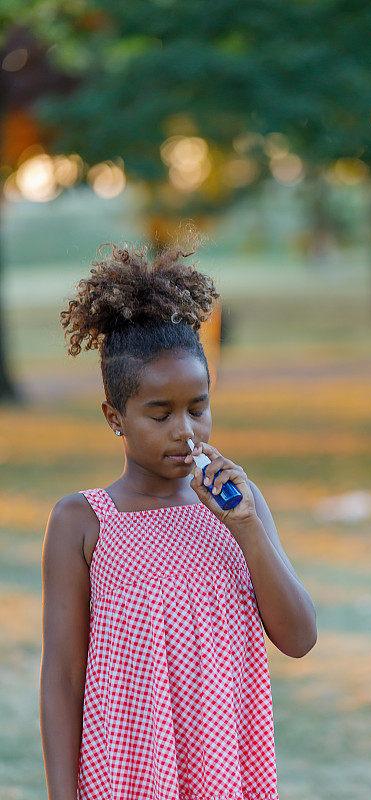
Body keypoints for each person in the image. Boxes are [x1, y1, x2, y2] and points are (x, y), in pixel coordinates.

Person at [40, 241, 317, 800]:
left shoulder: (238, 505)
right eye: (159, 414)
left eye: (199, 407)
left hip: (222, 766)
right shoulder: (82, 522)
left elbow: (299, 638)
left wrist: (247, 527)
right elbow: (63, 679)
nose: (185, 431)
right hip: (126, 774)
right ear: (115, 417)